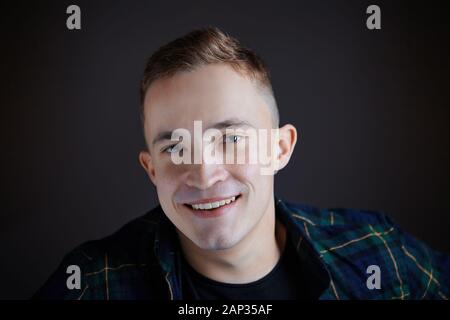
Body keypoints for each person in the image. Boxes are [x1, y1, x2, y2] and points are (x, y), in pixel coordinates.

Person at [34, 27, 449, 300]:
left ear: (280, 148)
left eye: (231, 139)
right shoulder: (90, 284)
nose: (205, 173)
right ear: (152, 170)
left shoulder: (378, 253)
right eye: (176, 148)